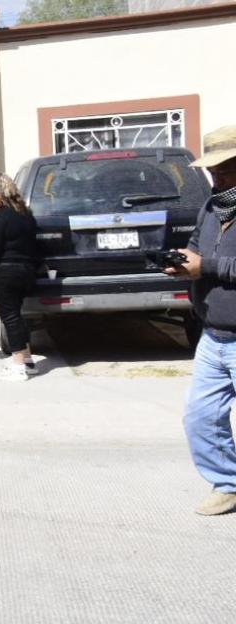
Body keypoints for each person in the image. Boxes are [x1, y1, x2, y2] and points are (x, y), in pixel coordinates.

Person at [167, 125, 236, 516]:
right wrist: (182, 262)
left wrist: (205, 266)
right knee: (201, 418)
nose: (217, 177)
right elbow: (196, 246)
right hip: (213, 336)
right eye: (212, 170)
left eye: (225, 169)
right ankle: (228, 484)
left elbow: (209, 262)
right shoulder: (211, 207)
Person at [0, 174, 40, 381]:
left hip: (4, 274)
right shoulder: (26, 215)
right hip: (26, 272)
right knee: (18, 317)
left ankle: (18, 367)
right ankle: (28, 362)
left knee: (10, 319)